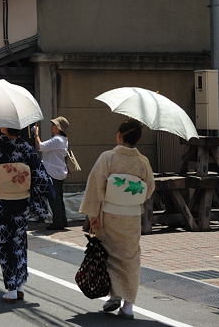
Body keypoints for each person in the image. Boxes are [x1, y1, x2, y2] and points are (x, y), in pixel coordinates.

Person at [79, 119, 155, 320]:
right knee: (130, 258)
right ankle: (128, 304)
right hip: (131, 217)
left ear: (119, 136)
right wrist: (132, 198)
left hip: (109, 215)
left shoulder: (108, 158)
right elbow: (149, 188)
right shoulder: (142, 161)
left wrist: (93, 214)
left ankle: (115, 294)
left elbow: (95, 186)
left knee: (109, 255)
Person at [0, 126, 50, 303]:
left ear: (3, 127)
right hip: (22, 202)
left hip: (0, 202)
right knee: (19, 241)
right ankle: (20, 284)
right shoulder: (27, 148)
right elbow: (41, 178)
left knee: (3, 243)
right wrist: (32, 196)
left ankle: (11, 288)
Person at [33, 116, 70, 230]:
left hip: (53, 172)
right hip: (59, 171)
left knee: (53, 198)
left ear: (59, 128)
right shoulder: (63, 139)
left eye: (54, 125)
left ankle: (57, 222)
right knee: (58, 197)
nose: (52, 127)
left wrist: (36, 134)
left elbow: (40, 146)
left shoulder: (57, 139)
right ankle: (62, 220)